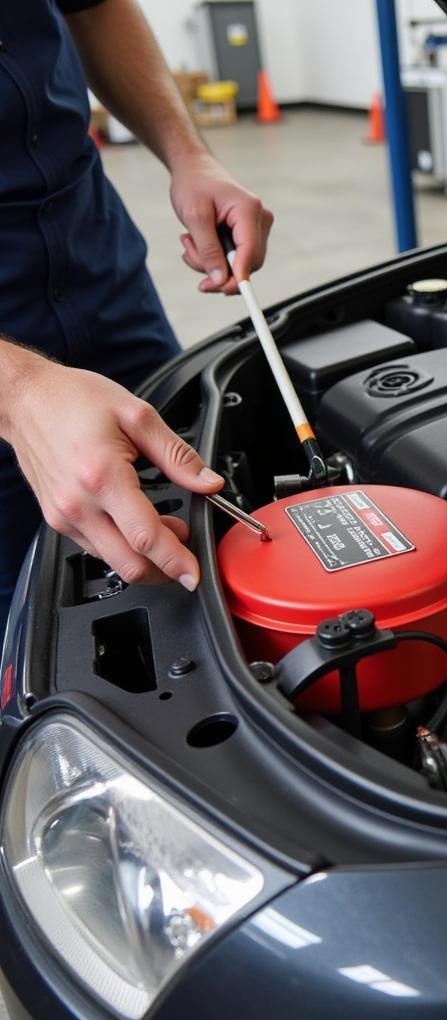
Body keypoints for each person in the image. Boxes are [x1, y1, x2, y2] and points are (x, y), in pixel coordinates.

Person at [0, 0, 273, 628]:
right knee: (23, 635)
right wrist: (16, 390)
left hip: (95, 256)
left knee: (191, 516)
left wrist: (189, 154)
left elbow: (94, 8)